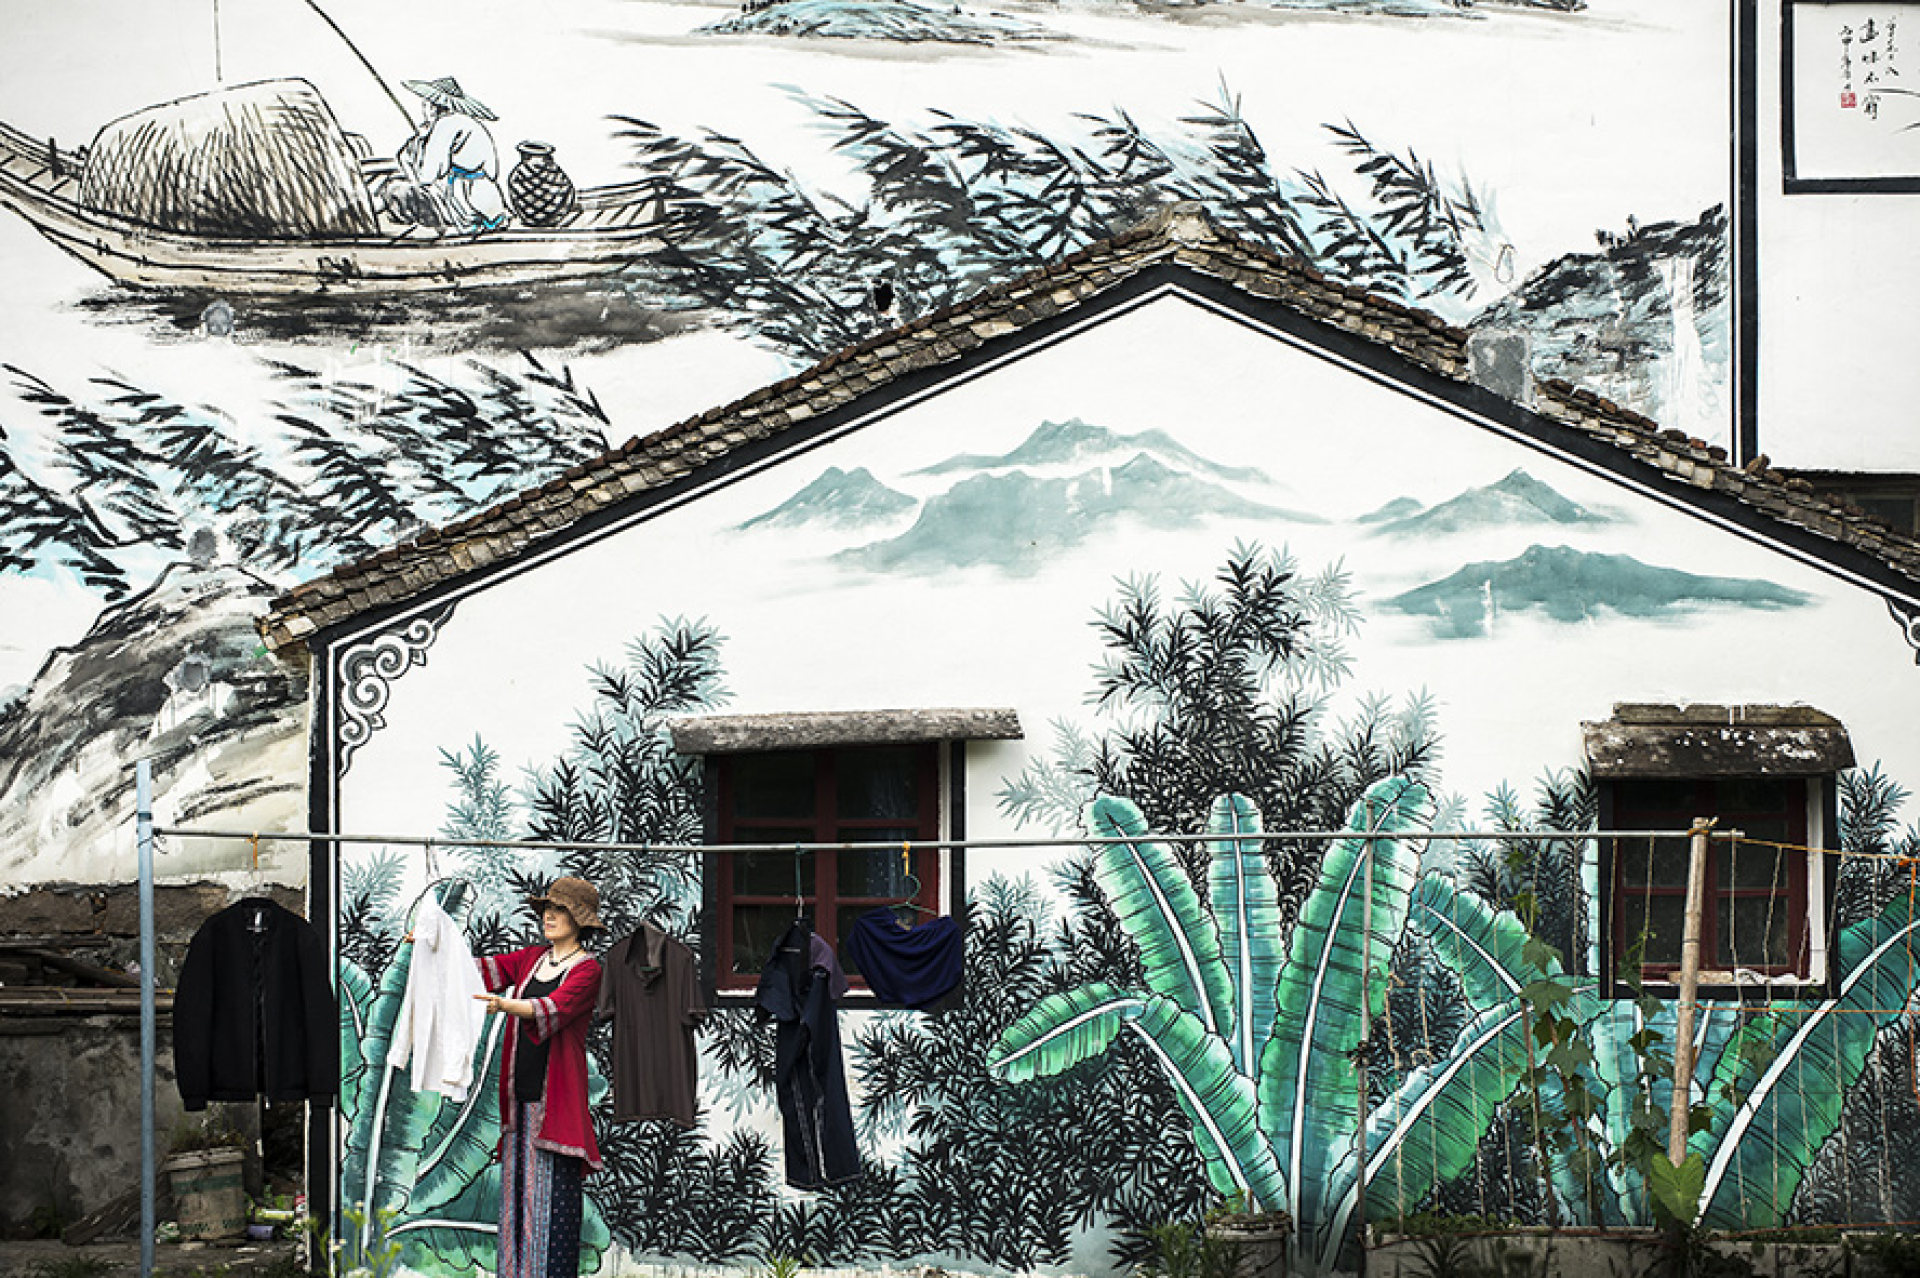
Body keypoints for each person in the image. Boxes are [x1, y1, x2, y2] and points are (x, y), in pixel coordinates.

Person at [474, 877, 605, 1278]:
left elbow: (552, 1009)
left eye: (560, 910)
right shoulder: (531, 958)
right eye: (547, 908)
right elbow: (476, 972)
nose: (549, 916)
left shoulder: (587, 970)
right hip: (519, 1101)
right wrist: (429, 947)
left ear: (579, 919)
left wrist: (504, 1005)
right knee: (515, 1205)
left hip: (556, 1106)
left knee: (551, 1210)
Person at [381, 76, 509, 232]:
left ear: (433, 107)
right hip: (489, 199)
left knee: (396, 189)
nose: (424, 110)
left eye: (425, 105)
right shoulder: (470, 123)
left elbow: (427, 176)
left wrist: (417, 146)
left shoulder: (444, 125)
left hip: (465, 203)